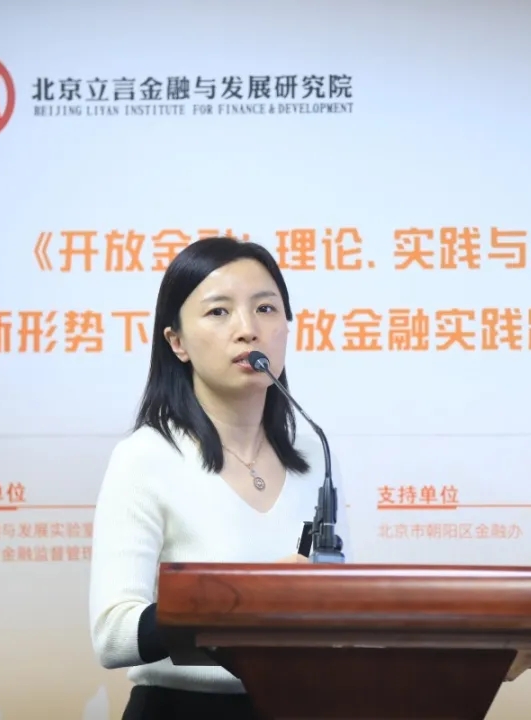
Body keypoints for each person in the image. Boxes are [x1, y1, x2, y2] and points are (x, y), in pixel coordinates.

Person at [87, 237, 353, 720]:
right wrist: (244, 599)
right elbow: (113, 635)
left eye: (266, 309)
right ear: (177, 342)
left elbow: (336, 616)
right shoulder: (146, 457)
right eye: (218, 312)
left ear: (287, 327)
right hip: (180, 710)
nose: (248, 330)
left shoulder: (316, 453)